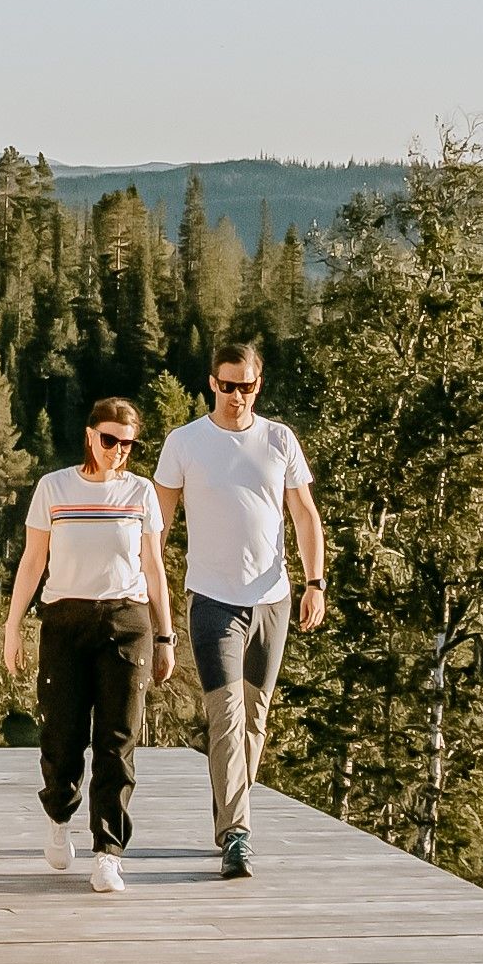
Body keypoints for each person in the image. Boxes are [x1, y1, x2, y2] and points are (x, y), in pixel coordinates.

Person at [154, 345, 323, 878]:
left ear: (258, 385)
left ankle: (229, 817)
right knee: (225, 715)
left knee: (253, 719)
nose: (236, 396)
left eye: (245, 386)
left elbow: (304, 514)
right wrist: (146, 589)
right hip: (212, 598)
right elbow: (158, 522)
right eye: (227, 386)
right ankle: (237, 836)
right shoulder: (185, 443)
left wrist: (315, 583)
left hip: (272, 599)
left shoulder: (279, 440)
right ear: (212, 383)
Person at [0, 397, 175, 890]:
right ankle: (59, 815)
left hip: (126, 619)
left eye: (128, 444)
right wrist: (13, 626)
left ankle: (108, 853)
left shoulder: (140, 493)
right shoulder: (54, 487)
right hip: (65, 621)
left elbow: (153, 567)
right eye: (109, 440)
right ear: (90, 435)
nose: (118, 451)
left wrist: (165, 635)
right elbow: (33, 560)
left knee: (118, 740)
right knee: (63, 734)